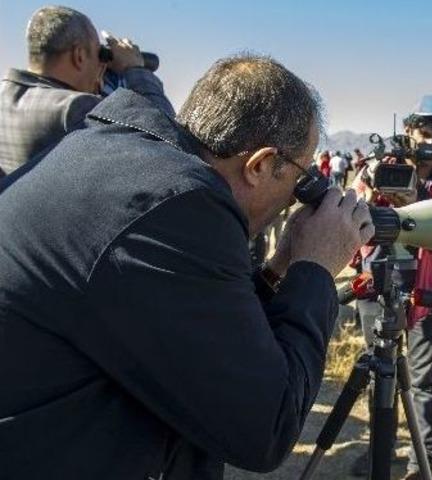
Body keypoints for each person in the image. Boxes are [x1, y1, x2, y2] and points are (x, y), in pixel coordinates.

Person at [0, 54, 374, 479]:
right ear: (259, 165)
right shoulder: (180, 205)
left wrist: (278, 269)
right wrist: (315, 270)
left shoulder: (127, 161)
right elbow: (265, 426)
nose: (294, 200)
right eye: (299, 181)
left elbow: (202, 331)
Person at [350, 95, 432, 479]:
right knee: (379, 374)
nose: (429, 143)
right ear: (408, 130)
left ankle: (423, 463)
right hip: (375, 284)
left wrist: (418, 203)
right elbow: (350, 219)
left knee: (424, 380)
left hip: (425, 292)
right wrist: (367, 188)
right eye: (423, 133)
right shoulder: (382, 167)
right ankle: (379, 454)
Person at [0, 5, 174, 177]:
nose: (101, 65)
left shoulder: (4, 96)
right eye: (99, 54)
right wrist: (136, 70)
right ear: (79, 56)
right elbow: (169, 145)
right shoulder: (76, 107)